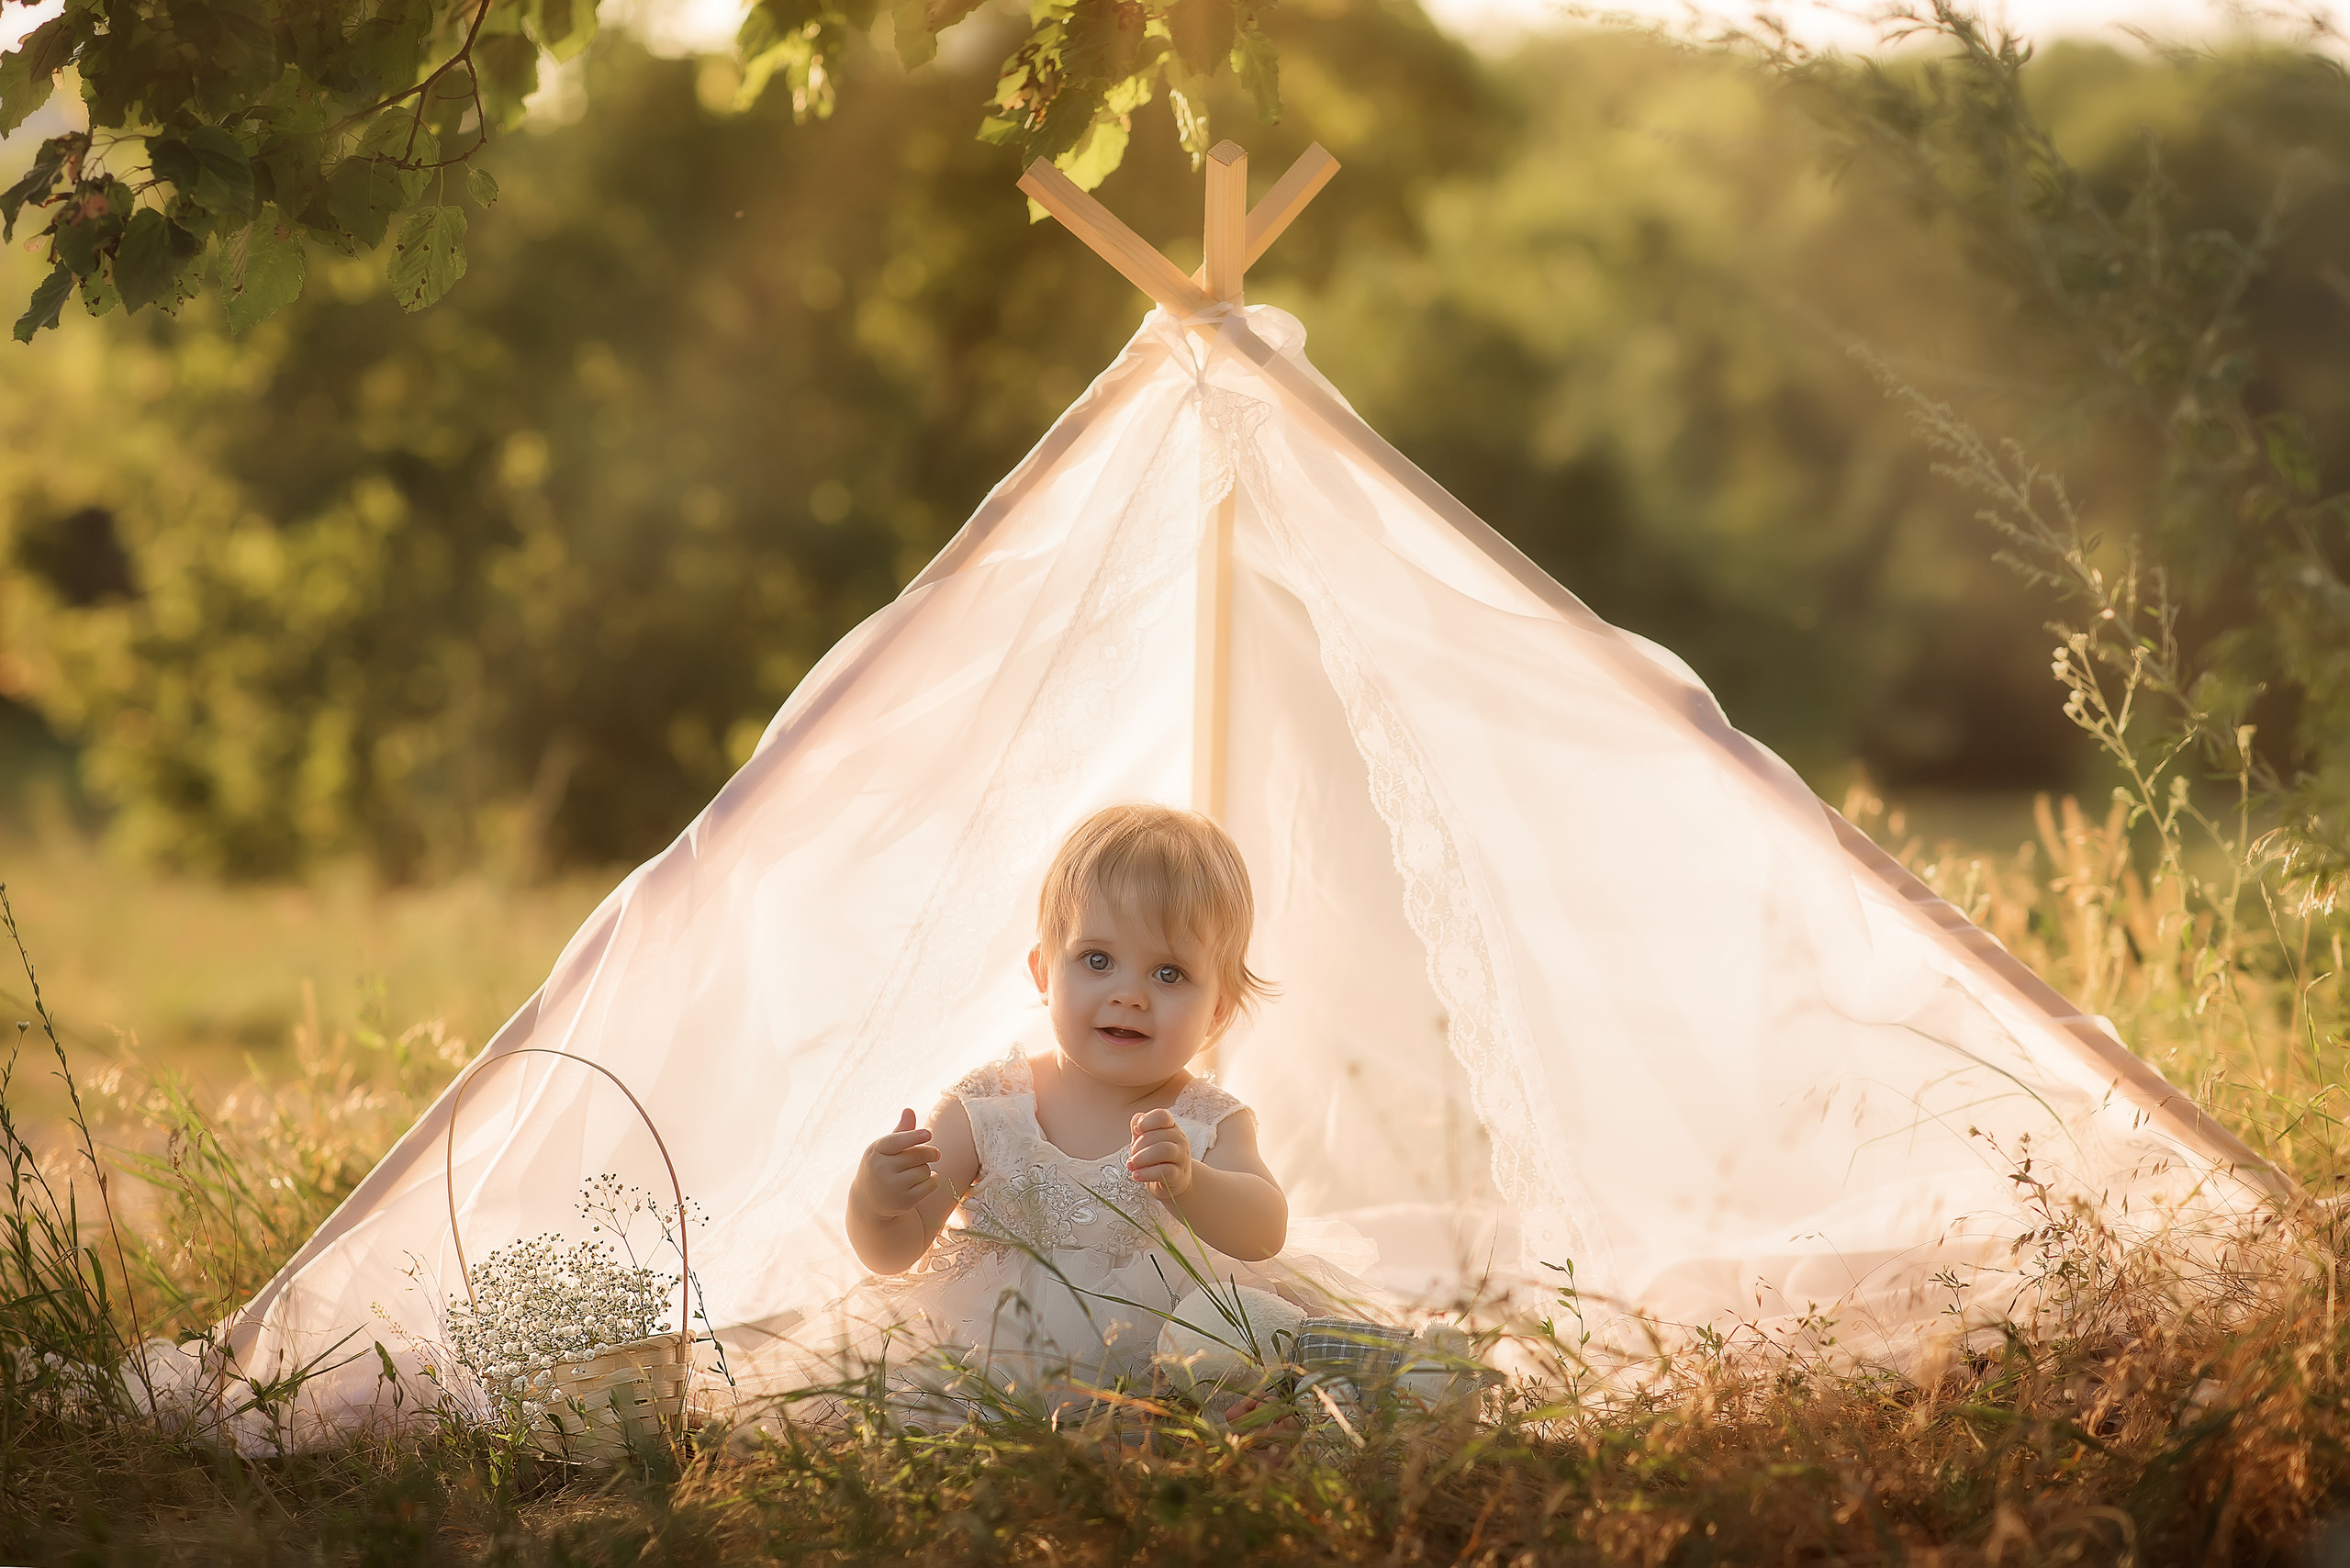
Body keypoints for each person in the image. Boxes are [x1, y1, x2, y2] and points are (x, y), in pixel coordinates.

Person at [838, 803, 1341, 1413]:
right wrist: (875, 1202)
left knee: (1251, 1404)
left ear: (1218, 1011)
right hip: (991, 1380)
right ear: (1044, 971)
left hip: (1155, 1393)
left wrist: (1193, 1183)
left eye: (1169, 973)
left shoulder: (1207, 1121)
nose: (1128, 995)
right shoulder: (991, 1107)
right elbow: (896, 1251)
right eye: (1097, 961)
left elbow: (1265, 1231)